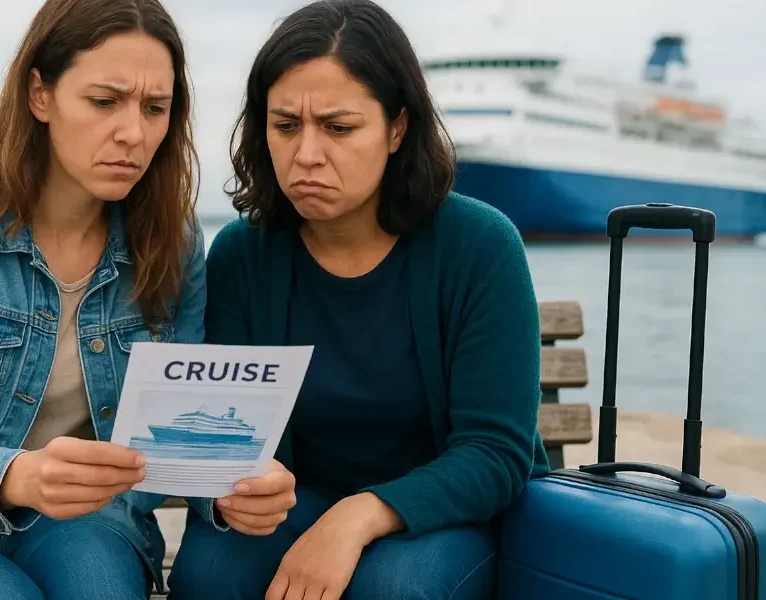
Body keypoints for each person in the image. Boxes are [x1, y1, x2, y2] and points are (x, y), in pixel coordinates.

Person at [0, 0, 295, 598]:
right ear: (40, 95)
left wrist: (237, 489)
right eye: (105, 101)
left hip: (88, 520)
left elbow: (178, 444)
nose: (133, 132)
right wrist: (19, 476)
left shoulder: (172, 241)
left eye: (154, 108)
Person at [167, 1, 551, 599]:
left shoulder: (480, 245)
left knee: (391, 588)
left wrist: (358, 517)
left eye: (339, 128)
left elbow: (495, 454)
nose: (308, 154)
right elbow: (226, 436)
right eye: (285, 125)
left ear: (397, 128)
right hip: (298, 501)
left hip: (443, 513)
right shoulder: (244, 253)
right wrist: (231, 490)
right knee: (209, 571)